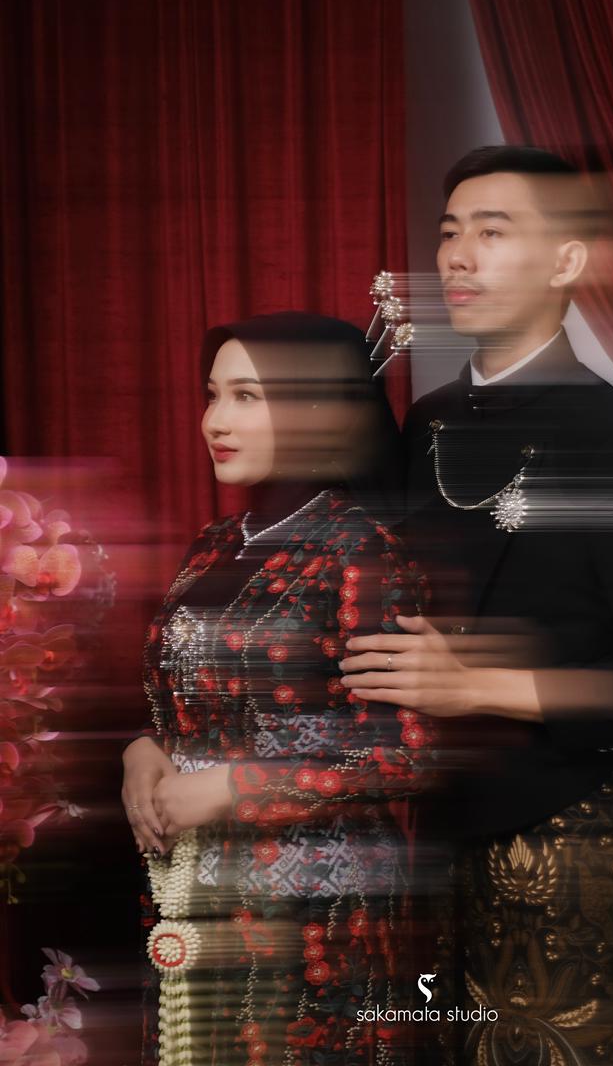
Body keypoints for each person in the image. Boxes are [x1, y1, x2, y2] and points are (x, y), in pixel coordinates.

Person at [339, 147, 613, 1065]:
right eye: (450, 233)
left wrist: (478, 686)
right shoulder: (426, 422)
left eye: (493, 231)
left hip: (562, 835)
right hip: (425, 827)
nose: (459, 256)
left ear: (567, 261)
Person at [121, 312, 435, 1066]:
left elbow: (407, 753)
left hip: (314, 912)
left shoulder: (362, 552)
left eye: (247, 396)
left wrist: (236, 788)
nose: (215, 420)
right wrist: (142, 749)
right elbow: (187, 700)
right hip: (190, 884)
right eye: (213, 394)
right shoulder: (213, 545)